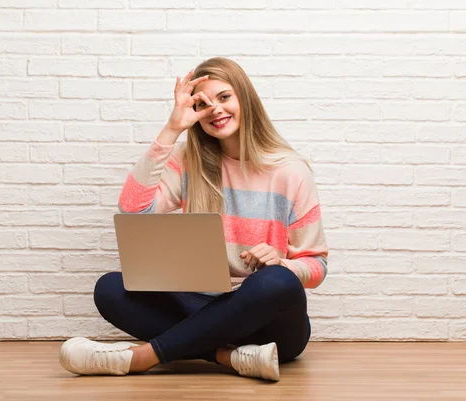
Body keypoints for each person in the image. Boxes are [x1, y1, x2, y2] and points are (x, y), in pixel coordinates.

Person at [59, 57, 328, 381]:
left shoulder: (291, 171)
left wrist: (283, 264)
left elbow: (317, 266)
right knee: (110, 288)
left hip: (268, 323)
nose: (214, 109)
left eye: (224, 97)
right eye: (202, 104)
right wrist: (173, 129)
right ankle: (227, 357)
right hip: (201, 307)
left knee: (279, 282)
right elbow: (133, 211)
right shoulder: (188, 161)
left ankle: (144, 356)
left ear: (245, 98)